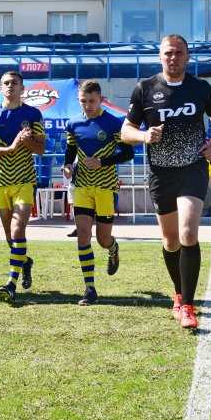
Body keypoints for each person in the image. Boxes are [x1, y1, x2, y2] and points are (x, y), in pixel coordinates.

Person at [121, 34, 211, 330]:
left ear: (187, 56)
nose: (173, 57)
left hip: (193, 169)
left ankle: (189, 306)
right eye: (168, 52)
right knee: (170, 241)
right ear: (160, 56)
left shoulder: (200, 88)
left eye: (179, 52)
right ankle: (179, 295)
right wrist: (144, 136)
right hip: (161, 174)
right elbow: (126, 131)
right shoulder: (145, 89)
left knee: (188, 233)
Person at [63, 80, 134, 306]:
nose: (88, 105)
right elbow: (70, 150)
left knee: (103, 239)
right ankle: (90, 288)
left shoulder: (114, 123)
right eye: (83, 101)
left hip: (105, 188)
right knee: (83, 235)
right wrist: (67, 166)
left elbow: (128, 153)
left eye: (92, 101)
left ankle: (113, 248)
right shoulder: (73, 123)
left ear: (101, 99)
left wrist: (102, 162)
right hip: (82, 186)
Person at [0, 71, 45, 303]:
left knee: (17, 231)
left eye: (14, 83)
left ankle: (10, 283)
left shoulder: (33, 114)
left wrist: (28, 141)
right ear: (0, 88)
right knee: (10, 237)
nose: (10, 86)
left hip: (24, 181)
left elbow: (41, 148)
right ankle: (25, 262)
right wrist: (11, 148)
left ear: (22, 88)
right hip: (0, 182)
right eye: (6, 83)